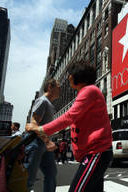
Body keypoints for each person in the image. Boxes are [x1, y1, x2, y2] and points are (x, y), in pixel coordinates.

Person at [26, 60, 113, 192]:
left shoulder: (89, 91)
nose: (68, 77)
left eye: (70, 74)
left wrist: (40, 129)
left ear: (77, 76)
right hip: (95, 153)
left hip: (96, 153)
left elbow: (69, 117)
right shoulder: (87, 92)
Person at [24, 79, 60, 192]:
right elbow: (34, 123)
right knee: (28, 178)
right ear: (50, 86)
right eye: (58, 87)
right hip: (36, 142)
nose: (60, 89)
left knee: (51, 173)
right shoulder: (42, 101)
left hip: (44, 145)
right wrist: (47, 141)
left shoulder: (49, 104)